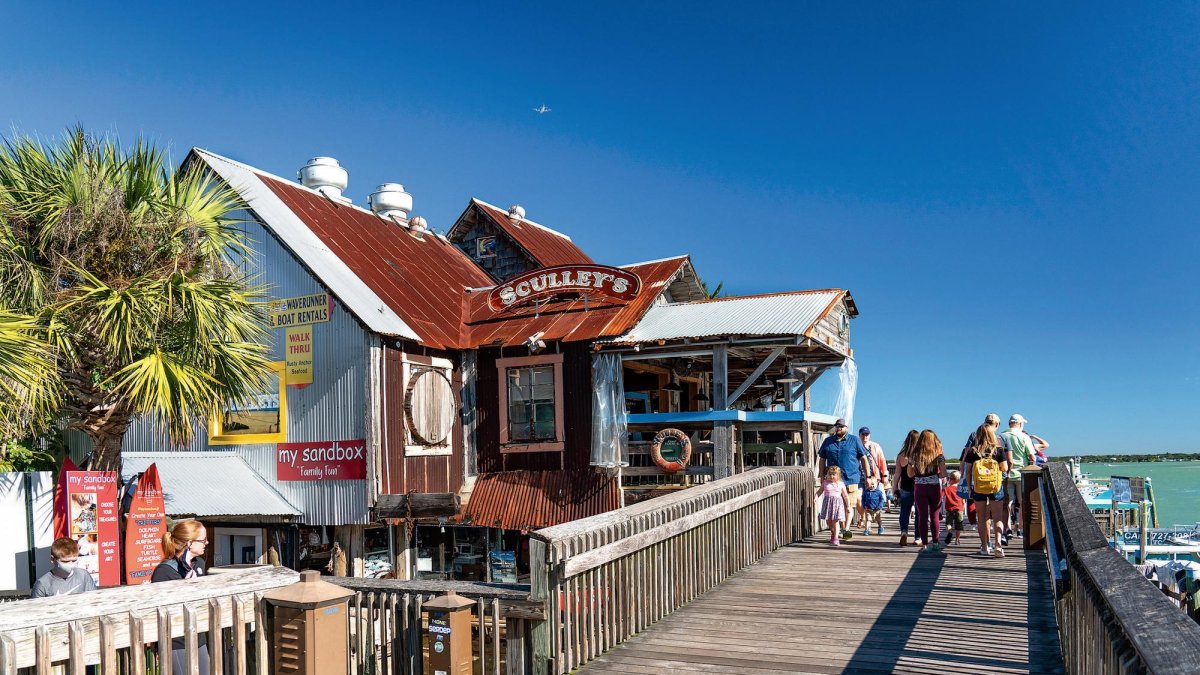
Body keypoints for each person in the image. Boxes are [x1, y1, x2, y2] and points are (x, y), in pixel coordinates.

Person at [152, 520, 211, 672]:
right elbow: (160, 611)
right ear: (190, 543)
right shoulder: (164, 571)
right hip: (177, 641)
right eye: (203, 540)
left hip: (199, 637)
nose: (207, 542)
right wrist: (183, 589)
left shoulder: (199, 564)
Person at [818, 418, 870, 541]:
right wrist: (821, 475)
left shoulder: (854, 440)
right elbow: (821, 459)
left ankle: (845, 529)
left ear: (846, 427)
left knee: (848, 505)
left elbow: (863, 459)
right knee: (834, 507)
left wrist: (868, 476)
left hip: (850, 478)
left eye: (841, 426)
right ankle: (837, 530)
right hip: (833, 481)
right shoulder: (828, 441)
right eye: (837, 426)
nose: (839, 428)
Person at [964, 423, 1010, 557]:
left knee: (982, 517)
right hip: (996, 486)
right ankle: (998, 545)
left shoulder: (973, 451)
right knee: (998, 518)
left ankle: (984, 547)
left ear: (978, 435)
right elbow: (1005, 468)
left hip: (978, 488)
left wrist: (969, 487)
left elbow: (968, 472)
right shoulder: (998, 450)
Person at [906, 429, 946, 553]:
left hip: (919, 488)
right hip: (934, 487)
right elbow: (943, 473)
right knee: (934, 515)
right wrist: (934, 476)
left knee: (922, 516)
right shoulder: (939, 456)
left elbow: (909, 474)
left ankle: (924, 544)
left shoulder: (914, 456)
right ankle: (935, 542)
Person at [1000, 414, 1037, 542]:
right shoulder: (1024, 436)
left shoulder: (1000, 436)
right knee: (1023, 503)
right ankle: (1021, 529)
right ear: (1020, 424)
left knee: (1006, 504)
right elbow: (1032, 456)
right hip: (1022, 474)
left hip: (1005, 474)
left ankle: (1007, 529)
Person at [30, 537, 97, 598]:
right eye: (65, 562)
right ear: (52, 559)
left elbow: (93, 601)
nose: (71, 565)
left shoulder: (83, 575)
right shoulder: (42, 584)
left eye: (74, 561)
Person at [891, 430, 920, 547]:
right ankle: (918, 537)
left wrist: (894, 488)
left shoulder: (901, 455)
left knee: (904, 511)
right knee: (919, 513)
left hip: (905, 487)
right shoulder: (920, 454)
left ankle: (904, 532)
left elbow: (897, 474)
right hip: (919, 486)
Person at [857, 426, 888, 526]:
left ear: (869, 435)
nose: (865, 436)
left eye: (867, 434)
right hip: (859, 477)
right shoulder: (856, 445)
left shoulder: (875, 446)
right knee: (859, 499)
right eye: (863, 434)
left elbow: (882, 460)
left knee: (877, 498)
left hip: (874, 478)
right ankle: (864, 516)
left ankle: (875, 519)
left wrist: (885, 474)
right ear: (859, 435)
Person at [819, 466, 850, 547]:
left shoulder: (841, 484)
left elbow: (845, 495)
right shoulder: (825, 483)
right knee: (829, 522)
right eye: (830, 474)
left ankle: (836, 538)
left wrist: (848, 506)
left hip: (837, 504)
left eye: (834, 474)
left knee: (835, 521)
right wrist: (815, 497)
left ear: (838, 475)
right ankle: (833, 533)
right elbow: (819, 492)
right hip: (828, 504)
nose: (832, 476)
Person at [942, 470, 966, 546]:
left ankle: (949, 532)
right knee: (958, 525)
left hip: (949, 508)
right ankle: (957, 540)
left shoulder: (947, 489)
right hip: (959, 508)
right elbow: (965, 497)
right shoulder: (961, 488)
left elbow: (940, 496)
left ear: (950, 479)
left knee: (949, 523)